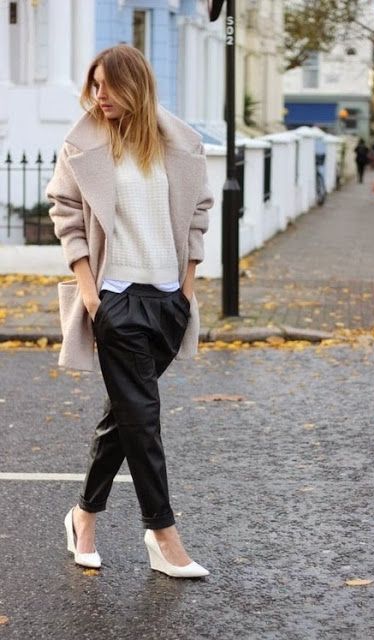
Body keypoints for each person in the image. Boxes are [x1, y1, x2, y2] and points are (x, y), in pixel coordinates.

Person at [46, 45, 214, 578]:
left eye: (109, 86)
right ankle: (163, 536)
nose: (99, 96)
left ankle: (83, 516)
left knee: (126, 416)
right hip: (115, 298)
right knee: (142, 418)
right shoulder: (83, 145)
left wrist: (186, 287)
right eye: (94, 85)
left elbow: (199, 213)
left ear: (135, 86)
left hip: (167, 301)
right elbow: (67, 215)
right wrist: (91, 293)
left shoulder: (179, 144)